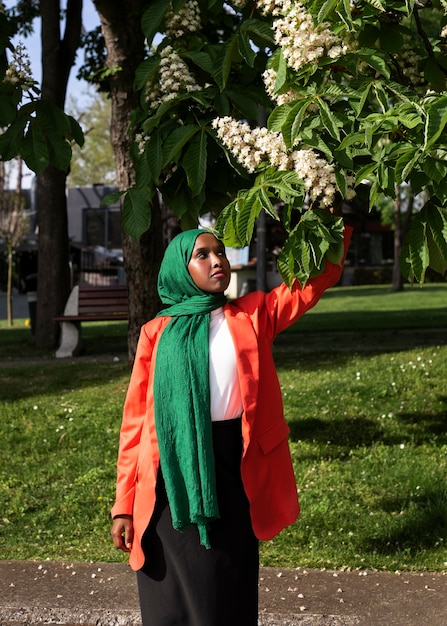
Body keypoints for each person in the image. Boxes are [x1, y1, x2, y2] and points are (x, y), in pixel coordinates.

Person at [111, 220, 352, 626]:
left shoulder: (252, 314)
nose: (216, 260)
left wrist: (331, 219)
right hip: (169, 477)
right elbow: (134, 424)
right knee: (166, 598)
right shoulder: (157, 332)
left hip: (230, 467)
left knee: (224, 589)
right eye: (202, 255)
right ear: (179, 269)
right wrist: (123, 505)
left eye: (220, 252)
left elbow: (312, 283)